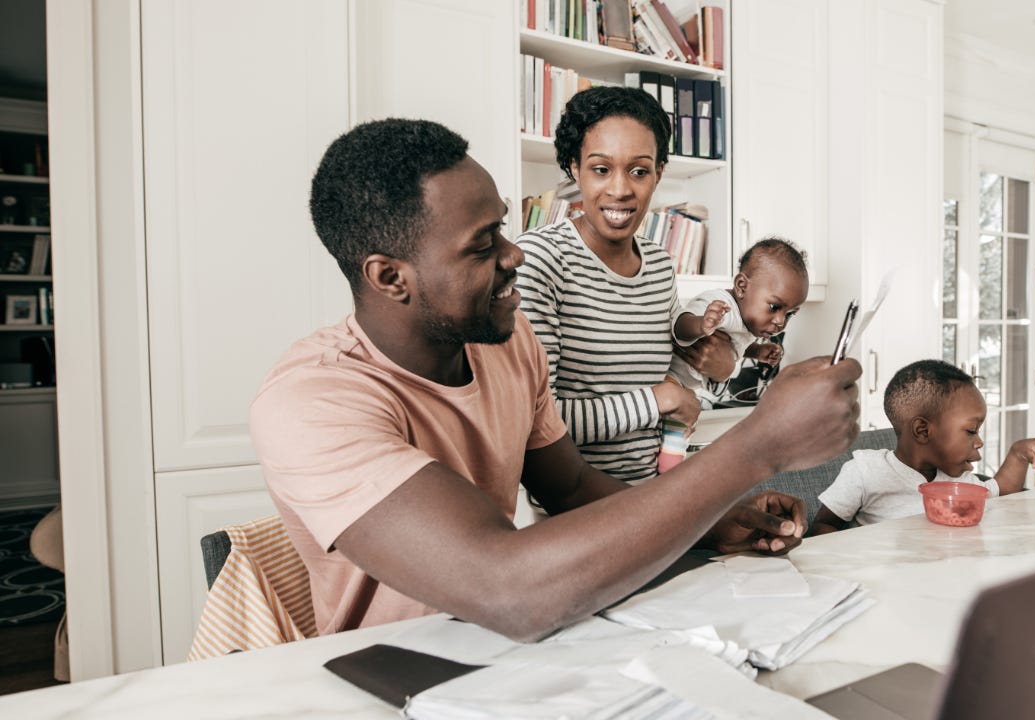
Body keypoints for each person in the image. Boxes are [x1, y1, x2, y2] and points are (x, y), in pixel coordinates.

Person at [249, 117, 863, 641]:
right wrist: (759, 445)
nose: (514, 253)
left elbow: (570, 487)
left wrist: (712, 521)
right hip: (396, 671)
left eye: (502, 227)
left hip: (515, 654)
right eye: (482, 245)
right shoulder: (311, 402)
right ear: (390, 278)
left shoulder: (510, 345)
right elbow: (505, 589)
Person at [515, 86, 737, 483]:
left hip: (656, 493)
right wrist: (658, 400)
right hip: (575, 505)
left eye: (639, 171)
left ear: (658, 173)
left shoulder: (659, 265)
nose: (620, 189)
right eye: (601, 169)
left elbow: (683, 380)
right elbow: (535, 421)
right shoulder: (540, 259)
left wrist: (722, 371)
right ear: (574, 168)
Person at [811, 359, 1035, 534]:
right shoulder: (865, 471)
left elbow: (1002, 491)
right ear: (923, 431)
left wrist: (1018, 454)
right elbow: (824, 525)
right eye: (971, 431)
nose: (979, 442)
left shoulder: (960, 481)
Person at [667, 237, 808, 391]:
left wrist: (757, 351)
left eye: (789, 314)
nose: (781, 321)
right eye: (774, 307)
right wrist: (700, 324)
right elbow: (678, 326)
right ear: (742, 286)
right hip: (668, 378)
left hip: (684, 388)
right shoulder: (721, 306)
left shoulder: (746, 324)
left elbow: (736, 346)